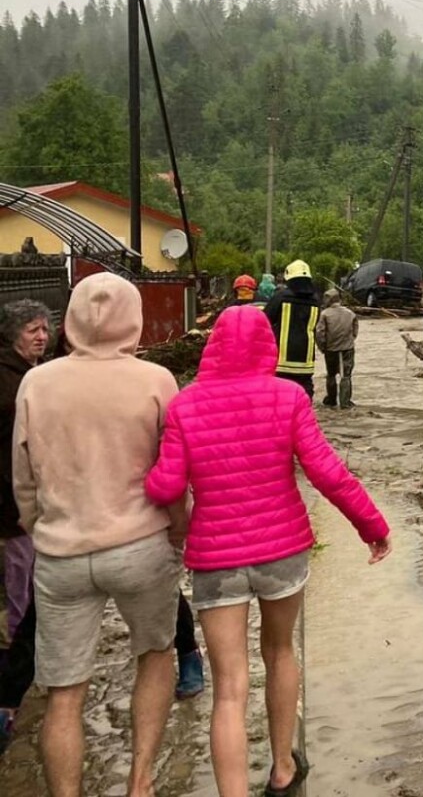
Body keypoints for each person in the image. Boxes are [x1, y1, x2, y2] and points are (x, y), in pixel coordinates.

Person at [145, 304, 390, 797]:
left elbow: (166, 485)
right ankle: (282, 769)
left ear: (212, 346)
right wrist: (371, 525)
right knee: (280, 652)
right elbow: (326, 472)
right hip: (282, 553)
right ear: (268, 347)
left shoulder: (185, 404)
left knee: (229, 686)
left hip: (215, 559)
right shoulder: (287, 397)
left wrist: (153, 482)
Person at [12, 274, 184, 797]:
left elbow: (22, 476)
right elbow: (173, 471)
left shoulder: (36, 382)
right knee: (155, 656)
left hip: (61, 553)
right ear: (132, 318)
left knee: (64, 692)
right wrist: (180, 531)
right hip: (141, 546)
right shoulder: (156, 380)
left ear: (70, 319)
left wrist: (36, 525)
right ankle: (140, 781)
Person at [0, 300, 49, 754]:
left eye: (45, 329)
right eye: (33, 330)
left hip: (23, 504)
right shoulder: (10, 383)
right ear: (14, 334)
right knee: (22, 591)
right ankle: (16, 675)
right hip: (12, 508)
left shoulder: (30, 376)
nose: (41, 337)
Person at [263, 260, 322, 398]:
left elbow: (264, 321)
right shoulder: (316, 300)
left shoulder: (281, 297)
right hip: (306, 361)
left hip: (282, 361)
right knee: (304, 394)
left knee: (281, 396)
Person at [314, 289, 357, 408]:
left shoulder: (325, 314)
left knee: (331, 374)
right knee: (346, 375)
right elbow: (355, 331)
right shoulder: (350, 313)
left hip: (331, 349)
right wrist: (349, 341)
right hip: (347, 348)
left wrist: (322, 347)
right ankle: (345, 402)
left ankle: (331, 400)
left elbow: (319, 333)